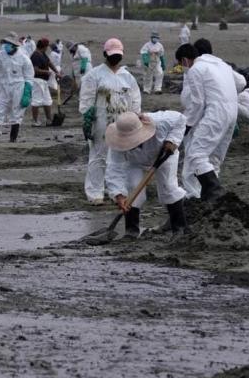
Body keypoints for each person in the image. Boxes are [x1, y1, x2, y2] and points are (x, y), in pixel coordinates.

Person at [105, 111, 188, 238]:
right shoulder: (116, 143)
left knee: (168, 187)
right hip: (134, 162)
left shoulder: (161, 122)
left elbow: (181, 119)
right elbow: (114, 168)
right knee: (132, 187)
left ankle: (179, 228)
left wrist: (172, 140)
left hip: (164, 154)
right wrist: (118, 195)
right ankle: (131, 230)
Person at [79, 38, 141, 205]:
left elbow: (135, 100)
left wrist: (135, 119)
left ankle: (117, 192)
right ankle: (95, 193)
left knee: (120, 158)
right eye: (112, 54)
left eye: (118, 55)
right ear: (105, 54)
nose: (115, 58)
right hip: (101, 123)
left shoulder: (127, 77)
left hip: (122, 123)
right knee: (98, 156)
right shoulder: (94, 75)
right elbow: (86, 99)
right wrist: (87, 117)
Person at [175, 40, 239, 202]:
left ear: (184, 60)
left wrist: (187, 125)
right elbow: (241, 82)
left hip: (215, 113)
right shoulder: (222, 65)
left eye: (182, 65)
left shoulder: (195, 69)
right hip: (232, 112)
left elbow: (197, 103)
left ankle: (214, 191)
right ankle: (210, 200)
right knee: (214, 159)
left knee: (196, 155)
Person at [30, 38, 61, 126]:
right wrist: (47, 72)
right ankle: (35, 121)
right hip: (37, 80)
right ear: (45, 46)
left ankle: (49, 120)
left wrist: (57, 72)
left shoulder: (42, 54)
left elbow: (49, 63)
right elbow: (35, 70)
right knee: (36, 100)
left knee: (47, 100)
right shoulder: (35, 55)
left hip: (44, 81)